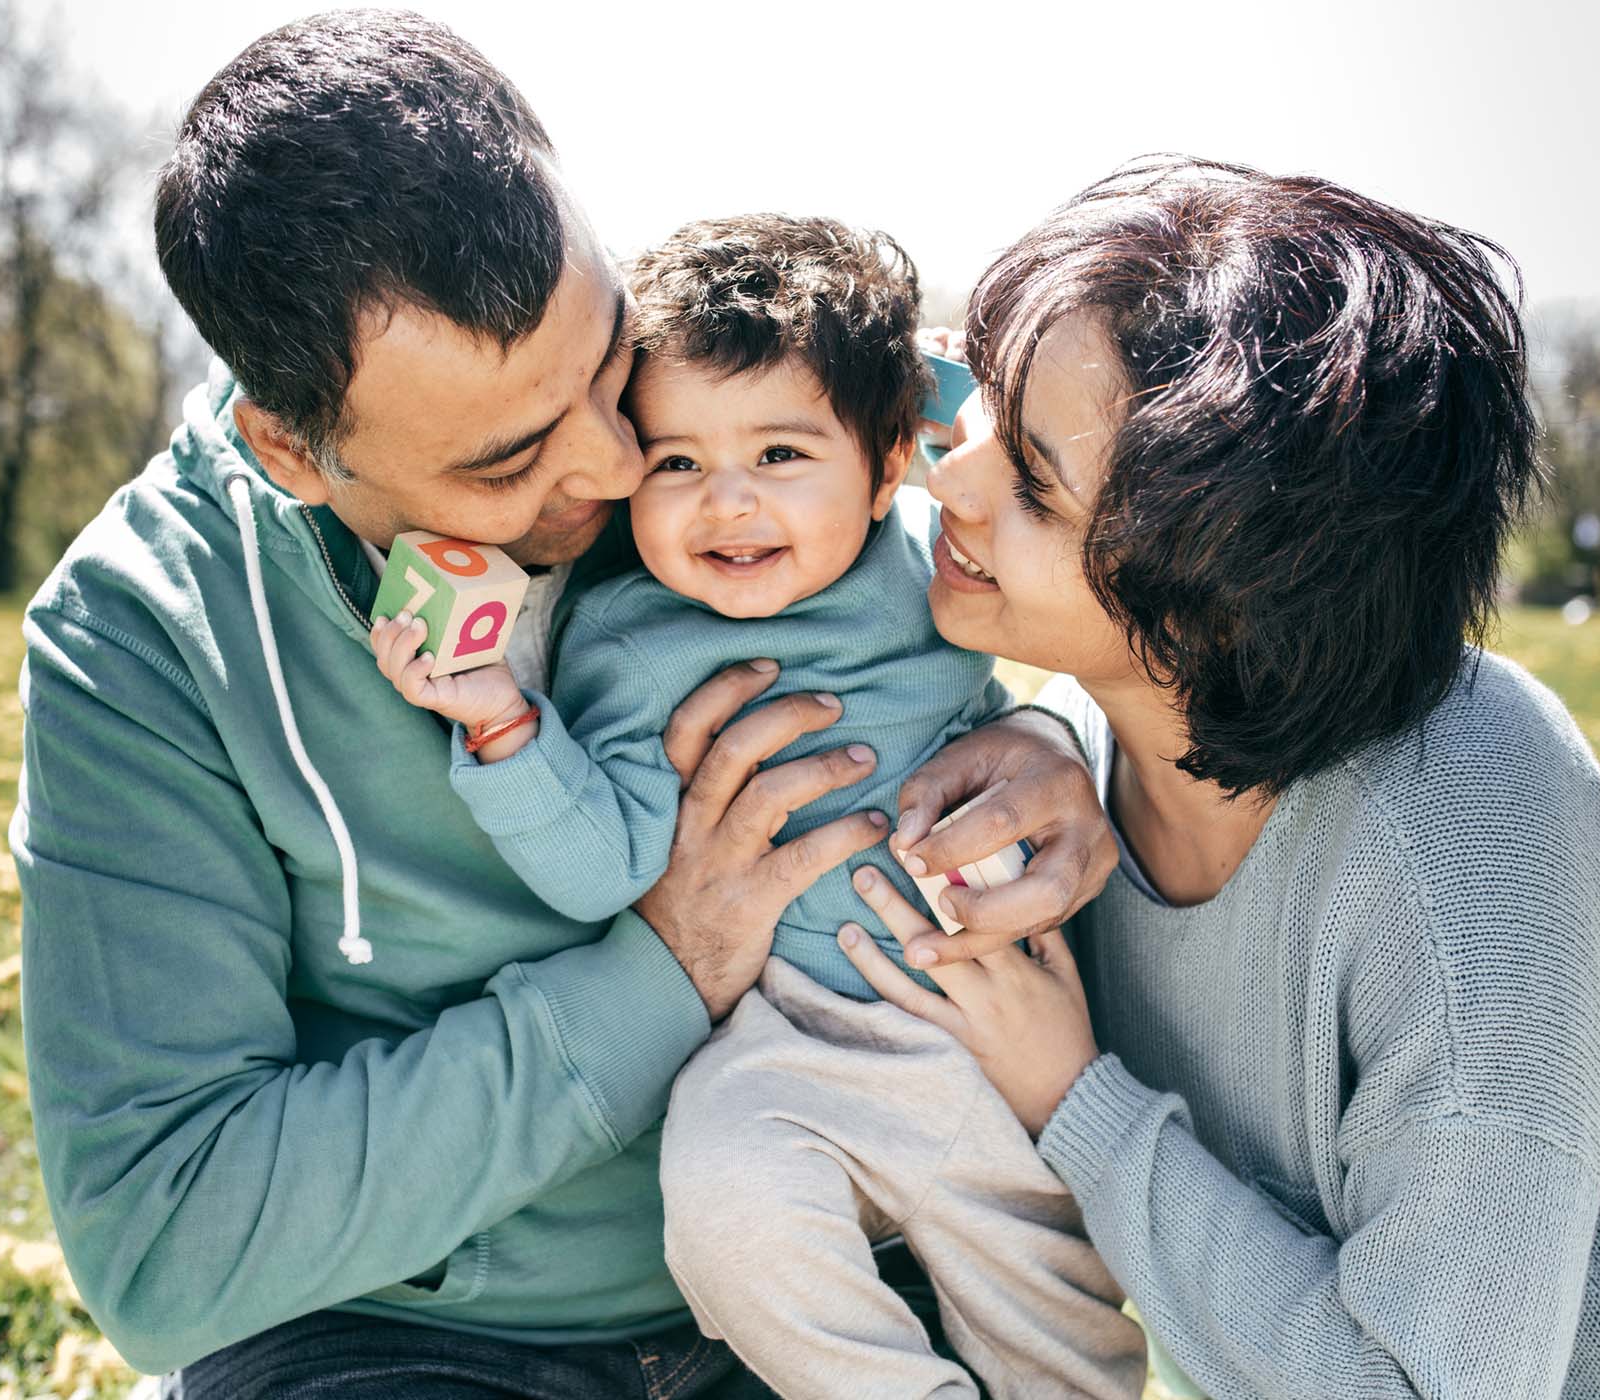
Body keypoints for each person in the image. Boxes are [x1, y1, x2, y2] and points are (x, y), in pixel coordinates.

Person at [9, 11, 1115, 1395]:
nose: (611, 466)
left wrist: (1053, 740)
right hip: (402, 1339)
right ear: (294, 449)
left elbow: (1002, 541)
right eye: (512, 457)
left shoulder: (705, 424)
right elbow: (167, 1245)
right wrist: (668, 966)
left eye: (604, 367)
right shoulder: (144, 636)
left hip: (838, 1258)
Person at [833, 158, 1600, 1398]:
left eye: (1034, 483)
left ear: (1214, 604)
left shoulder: (1462, 826)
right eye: (985, 406)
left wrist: (1072, 1097)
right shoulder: (1087, 755)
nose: (954, 479)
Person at [375, 213, 1144, 1399]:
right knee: (726, 1210)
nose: (726, 503)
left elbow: (1001, 475)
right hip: (783, 1044)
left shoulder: (929, 554)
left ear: (885, 467)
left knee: (1056, 1321)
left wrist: (1037, 727)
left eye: (781, 456)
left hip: (985, 1021)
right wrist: (506, 731)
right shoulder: (629, 646)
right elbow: (600, 867)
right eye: (676, 462)